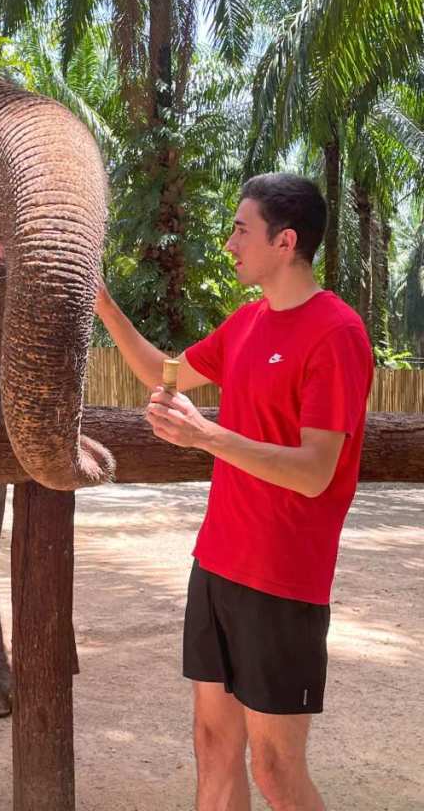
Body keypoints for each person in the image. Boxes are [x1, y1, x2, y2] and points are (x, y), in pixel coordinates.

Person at [95, 173, 373, 811]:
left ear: (286, 242)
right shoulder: (246, 323)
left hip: (283, 577)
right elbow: (161, 371)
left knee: (275, 769)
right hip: (217, 563)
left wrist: (206, 436)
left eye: (242, 230)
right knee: (212, 745)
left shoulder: (338, 333)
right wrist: (103, 302)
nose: (229, 244)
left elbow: (314, 470)